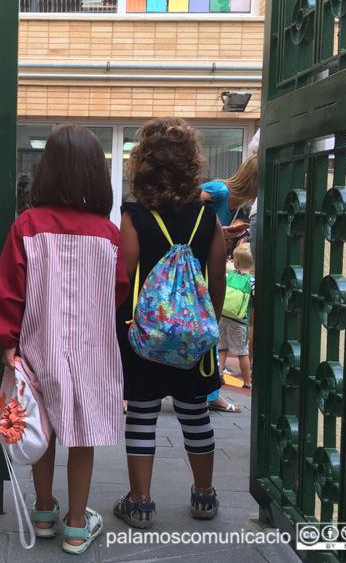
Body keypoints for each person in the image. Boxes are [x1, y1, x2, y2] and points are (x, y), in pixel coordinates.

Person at [0, 125, 129, 555]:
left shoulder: (27, 226)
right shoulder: (108, 233)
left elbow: (7, 289)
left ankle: (45, 512)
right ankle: (75, 525)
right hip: (92, 348)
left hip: (37, 344)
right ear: (95, 174)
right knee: (83, 432)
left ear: (47, 169)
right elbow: (119, 288)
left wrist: (8, 344)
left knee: (40, 425)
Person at [115, 118, 226, 528]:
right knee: (194, 412)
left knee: (142, 413)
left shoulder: (134, 215)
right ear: (190, 164)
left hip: (144, 334)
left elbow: (124, 277)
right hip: (193, 338)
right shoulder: (207, 215)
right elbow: (217, 275)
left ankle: (140, 502)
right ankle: (203, 496)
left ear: (143, 163)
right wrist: (205, 322)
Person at [200, 154, 259, 413]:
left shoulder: (234, 203)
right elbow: (187, 212)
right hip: (196, 268)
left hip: (206, 267)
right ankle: (211, 394)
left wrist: (223, 232)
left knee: (209, 330)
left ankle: (211, 393)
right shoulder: (221, 191)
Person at [219, 244, 255, 389]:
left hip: (222, 318)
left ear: (236, 261)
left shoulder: (228, 275)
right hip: (240, 322)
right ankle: (247, 382)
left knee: (221, 348)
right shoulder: (252, 281)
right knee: (242, 353)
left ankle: (219, 374)